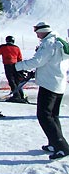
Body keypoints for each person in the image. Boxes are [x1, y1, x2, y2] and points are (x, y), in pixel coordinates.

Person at [15, 22, 69, 160]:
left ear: (43, 30)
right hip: (58, 82)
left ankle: (61, 147)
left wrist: (18, 66)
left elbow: (38, 60)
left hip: (49, 84)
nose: (36, 34)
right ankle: (54, 143)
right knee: (53, 115)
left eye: (37, 31)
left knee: (44, 115)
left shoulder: (49, 42)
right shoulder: (58, 40)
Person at [0, 35, 26, 102]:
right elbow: (20, 58)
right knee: (16, 81)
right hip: (16, 65)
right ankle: (21, 94)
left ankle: (16, 95)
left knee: (11, 81)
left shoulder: (3, 47)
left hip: (8, 65)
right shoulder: (16, 48)